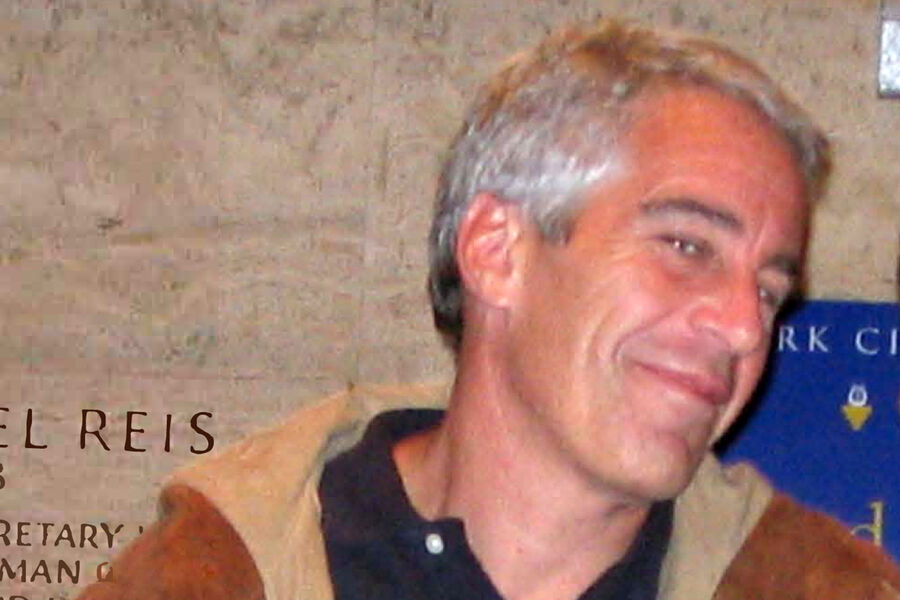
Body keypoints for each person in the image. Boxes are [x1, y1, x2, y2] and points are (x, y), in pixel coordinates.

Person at [77, 20, 900, 600]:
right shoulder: (209, 578)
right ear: (496, 251)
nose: (745, 328)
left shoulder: (816, 587)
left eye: (769, 290)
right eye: (687, 246)